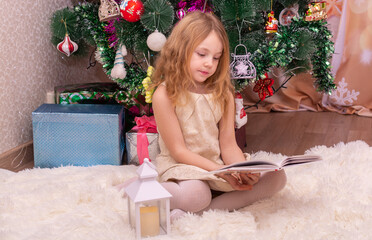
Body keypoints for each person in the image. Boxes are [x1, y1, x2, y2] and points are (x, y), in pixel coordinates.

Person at [150, 11, 286, 220]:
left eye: (216, 57)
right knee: (198, 194)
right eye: (201, 54)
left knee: (277, 178)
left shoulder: (223, 93)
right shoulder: (164, 94)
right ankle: (149, 193)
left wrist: (241, 170)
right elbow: (179, 151)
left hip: (218, 166)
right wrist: (219, 171)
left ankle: (202, 213)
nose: (209, 64)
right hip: (183, 168)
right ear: (180, 50)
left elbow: (229, 145)